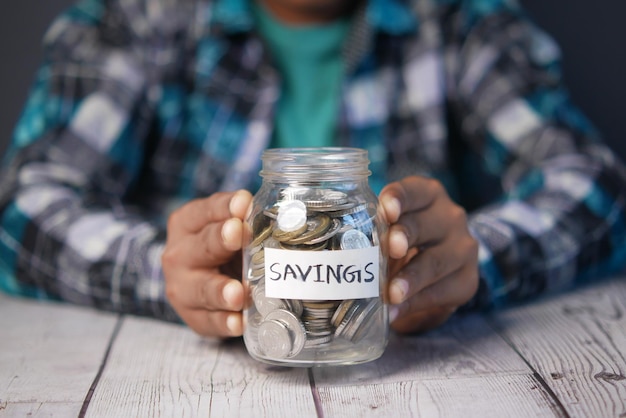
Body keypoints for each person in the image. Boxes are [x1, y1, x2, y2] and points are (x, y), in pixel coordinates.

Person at [1, 0, 625, 339]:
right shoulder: (136, 17)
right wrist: (159, 267)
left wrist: (472, 261)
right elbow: (21, 204)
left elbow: (599, 186)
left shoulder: (459, 20)